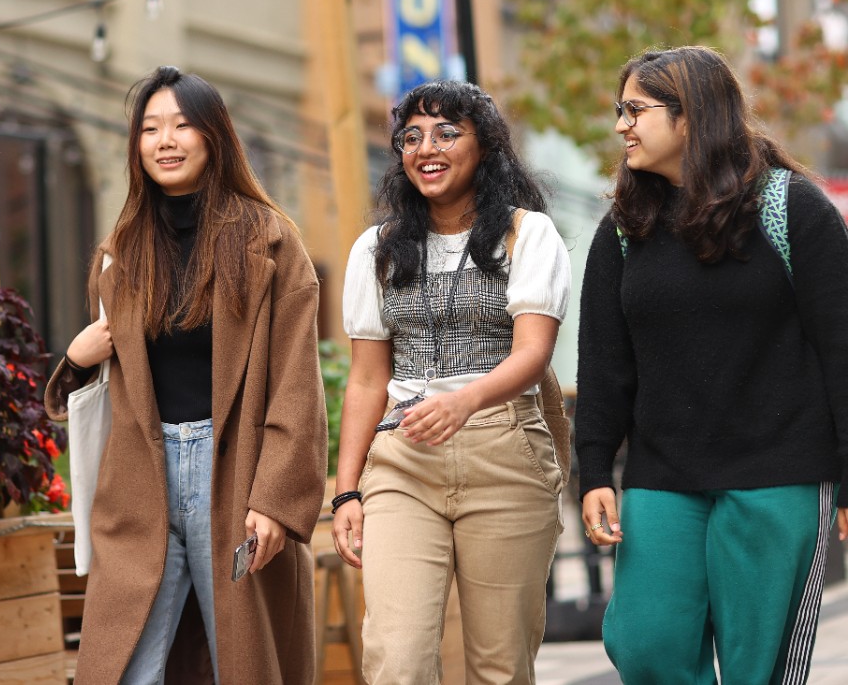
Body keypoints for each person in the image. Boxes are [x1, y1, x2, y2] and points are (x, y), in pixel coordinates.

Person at [44, 66, 327, 685]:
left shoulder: (271, 243)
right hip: (141, 478)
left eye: (181, 124)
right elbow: (100, 387)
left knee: (240, 662)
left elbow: (298, 387)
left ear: (213, 137)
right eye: (149, 128)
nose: (164, 140)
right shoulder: (120, 253)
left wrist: (275, 500)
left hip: (237, 473)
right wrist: (77, 357)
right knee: (125, 666)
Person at [577, 45, 848, 684]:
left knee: (762, 668)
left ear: (692, 116)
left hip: (780, 474)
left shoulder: (793, 210)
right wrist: (593, 469)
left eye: (635, 110)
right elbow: (604, 362)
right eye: (621, 111)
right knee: (646, 643)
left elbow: (843, 350)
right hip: (663, 478)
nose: (622, 126)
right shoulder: (624, 228)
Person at [332, 79, 571, 683]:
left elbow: (533, 353)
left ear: (485, 148)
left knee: (499, 666)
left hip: (505, 452)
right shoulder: (376, 251)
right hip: (403, 459)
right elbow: (364, 381)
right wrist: (345, 493)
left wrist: (464, 402)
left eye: (445, 132)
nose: (425, 147)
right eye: (411, 137)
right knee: (398, 659)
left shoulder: (528, 235)